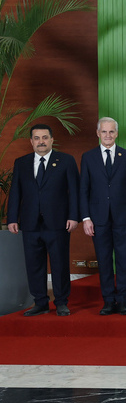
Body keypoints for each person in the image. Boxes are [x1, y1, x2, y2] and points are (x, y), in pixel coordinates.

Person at [6, 124, 79, 317]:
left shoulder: (66, 161)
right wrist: (12, 218)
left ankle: (62, 302)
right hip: (30, 223)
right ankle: (40, 302)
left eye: (45, 137)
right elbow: (15, 193)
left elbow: (74, 192)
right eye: (37, 138)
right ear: (31, 141)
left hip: (58, 222)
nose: (41, 142)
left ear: (52, 139)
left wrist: (74, 216)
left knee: (60, 264)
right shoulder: (21, 163)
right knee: (34, 264)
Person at [80, 117, 126, 315]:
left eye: (111, 132)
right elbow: (84, 190)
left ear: (117, 133)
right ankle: (108, 300)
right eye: (104, 132)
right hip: (98, 219)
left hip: (124, 218)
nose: (108, 135)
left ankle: (123, 300)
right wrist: (86, 218)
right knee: (104, 260)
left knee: (123, 259)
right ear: (98, 133)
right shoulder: (88, 157)